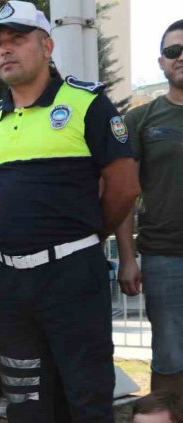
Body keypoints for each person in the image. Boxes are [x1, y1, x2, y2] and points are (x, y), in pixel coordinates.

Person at [0, 1, 141, 423]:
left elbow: (122, 186)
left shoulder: (88, 103)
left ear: (46, 45)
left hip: (73, 277)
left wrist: (81, 239)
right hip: (11, 285)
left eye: (17, 37)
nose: (4, 48)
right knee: (23, 395)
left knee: (86, 395)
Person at [116, 19, 183, 395]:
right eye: (174, 51)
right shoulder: (140, 120)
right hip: (165, 257)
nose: (181, 57)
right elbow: (125, 194)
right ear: (161, 62)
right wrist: (127, 258)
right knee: (170, 358)